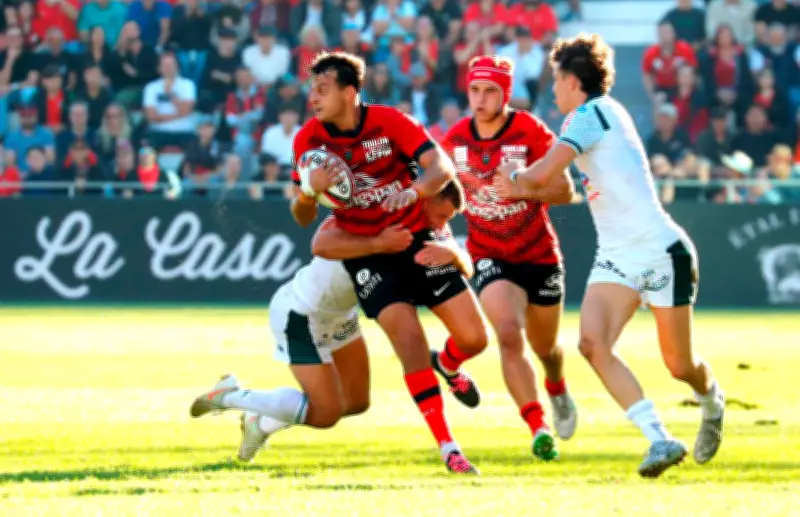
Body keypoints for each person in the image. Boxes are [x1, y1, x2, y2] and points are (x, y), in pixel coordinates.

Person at [494, 33, 726, 478]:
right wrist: (523, 182)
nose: (553, 89)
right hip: (617, 253)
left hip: (659, 250)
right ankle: (659, 438)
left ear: (572, 80)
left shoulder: (590, 115)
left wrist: (513, 177)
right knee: (591, 344)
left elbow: (544, 174)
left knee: (680, 365)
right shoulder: (597, 115)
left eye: (556, 80)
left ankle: (711, 398)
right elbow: (554, 186)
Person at [288, 51, 489, 474]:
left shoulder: (390, 121)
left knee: (475, 338)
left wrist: (414, 192)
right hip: (370, 253)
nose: (313, 97)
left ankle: (449, 363)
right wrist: (309, 192)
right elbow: (303, 217)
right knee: (409, 342)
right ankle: (448, 446)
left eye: (322, 89)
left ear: (349, 91)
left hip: (418, 237)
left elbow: (443, 167)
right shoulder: (308, 139)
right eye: (311, 89)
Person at [190, 183, 471, 463]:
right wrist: (377, 243)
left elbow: (464, 265)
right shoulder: (371, 211)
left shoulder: (427, 229)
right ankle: (231, 396)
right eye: (441, 215)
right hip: (302, 313)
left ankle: (261, 423)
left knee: (357, 402)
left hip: (340, 316)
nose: (441, 224)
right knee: (326, 414)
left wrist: (457, 255)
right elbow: (321, 242)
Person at [440, 55, 577, 461]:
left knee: (547, 348)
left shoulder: (528, 129)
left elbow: (566, 191)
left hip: (539, 254)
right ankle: (538, 426)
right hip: (489, 256)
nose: (480, 99)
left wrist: (523, 191)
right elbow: (437, 190)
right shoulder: (455, 138)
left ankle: (557, 388)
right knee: (507, 332)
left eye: (490, 91)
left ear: (506, 94)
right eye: (475, 90)